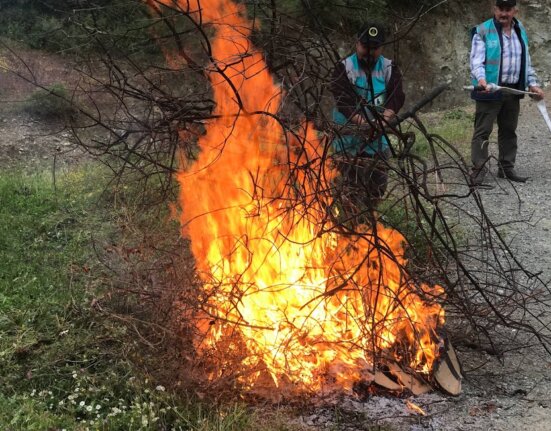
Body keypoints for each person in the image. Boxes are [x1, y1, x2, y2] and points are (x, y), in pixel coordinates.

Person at [330, 22, 405, 211]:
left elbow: (396, 98)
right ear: (357, 44)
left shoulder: (389, 68)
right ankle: (349, 223)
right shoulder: (344, 68)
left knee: (376, 188)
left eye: (374, 48)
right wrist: (364, 124)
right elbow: (343, 101)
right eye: (365, 47)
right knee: (348, 189)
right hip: (348, 141)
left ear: (381, 48)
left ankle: (369, 221)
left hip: (377, 142)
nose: (369, 52)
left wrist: (383, 121)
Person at [469, 0, 544, 186]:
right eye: (500, 9)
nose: (504, 13)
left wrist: (532, 84)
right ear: (495, 9)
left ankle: (506, 168)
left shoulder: (520, 31)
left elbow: (525, 61)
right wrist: (482, 80)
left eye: (508, 9)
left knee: (509, 130)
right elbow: (476, 62)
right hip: (489, 90)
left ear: (514, 11)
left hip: (512, 90)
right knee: (483, 131)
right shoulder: (483, 30)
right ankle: (479, 169)